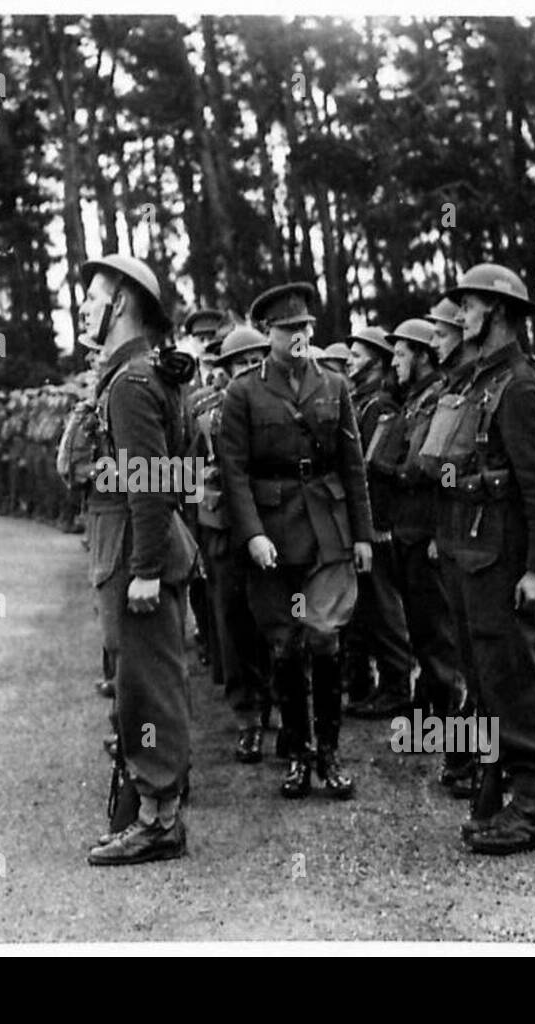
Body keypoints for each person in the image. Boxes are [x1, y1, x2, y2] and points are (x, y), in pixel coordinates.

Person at [429, 263, 535, 855]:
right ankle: (498, 787)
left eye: (472, 304)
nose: (462, 313)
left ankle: (533, 809)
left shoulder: (519, 386)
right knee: (482, 676)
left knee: (514, 677)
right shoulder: (475, 381)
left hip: (505, 557)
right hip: (470, 554)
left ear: (502, 312)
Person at [219, 282, 375, 800]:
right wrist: (253, 536)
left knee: (326, 641)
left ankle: (329, 754)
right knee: (285, 646)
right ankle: (297, 754)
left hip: (327, 530)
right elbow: (234, 474)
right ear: (269, 334)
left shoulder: (334, 385)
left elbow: (353, 467)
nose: (301, 336)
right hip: (273, 536)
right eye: (289, 330)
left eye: (306, 327)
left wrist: (363, 534)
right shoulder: (243, 392)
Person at [79, 253, 198, 866]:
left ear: (120, 303)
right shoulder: (144, 374)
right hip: (136, 546)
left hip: (136, 551)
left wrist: (147, 570)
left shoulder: (129, 384)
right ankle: (153, 808)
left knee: (148, 690)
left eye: (93, 296)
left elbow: (150, 484)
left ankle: (159, 821)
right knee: (146, 682)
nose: (83, 306)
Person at [377, 319, 470, 793]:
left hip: (427, 533)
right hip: (408, 532)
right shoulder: (415, 400)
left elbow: (432, 470)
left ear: (421, 356)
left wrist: (438, 533)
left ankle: (459, 753)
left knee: (440, 644)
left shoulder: (439, 397)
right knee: (424, 636)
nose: (394, 361)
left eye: (401, 354)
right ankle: (427, 724)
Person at [195, 325, 275, 762]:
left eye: (254, 360)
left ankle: (274, 703)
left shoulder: (277, 402)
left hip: (268, 529)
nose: (248, 369)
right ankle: (247, 717)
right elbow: (186, 474)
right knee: (233, 623)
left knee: (273, 620)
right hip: (223, 532)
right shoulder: (203, 411)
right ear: (224, 370)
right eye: (240, 363)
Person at [341, 325, 414, 720]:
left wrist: (372, 527)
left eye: (357, 355)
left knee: (385, 610)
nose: (350, 362)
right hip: (368, 524)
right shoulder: (362, 403)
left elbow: (372, 473)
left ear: (376, 362)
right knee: (369, 608)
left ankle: (398, 687)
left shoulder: (379, 407)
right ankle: (383, 686)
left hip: (378, 525)